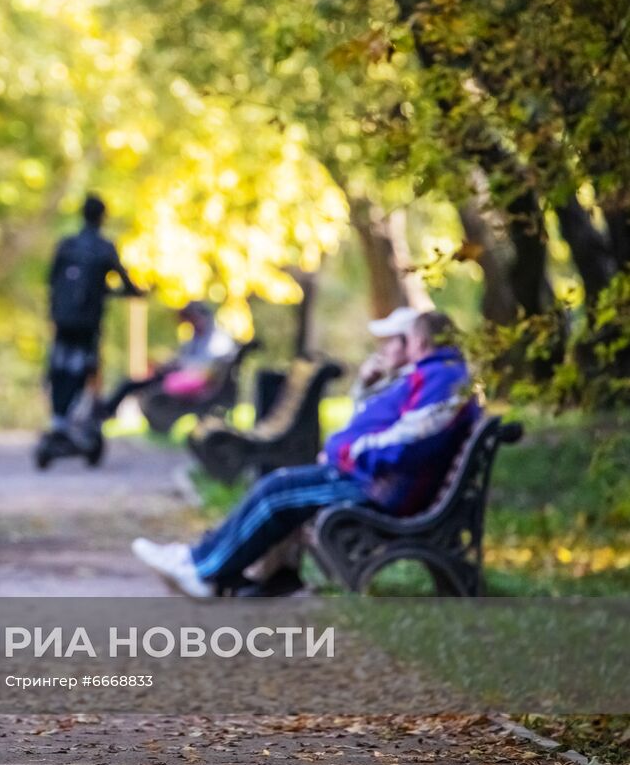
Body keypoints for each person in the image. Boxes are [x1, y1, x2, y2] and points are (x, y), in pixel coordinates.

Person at [131, 311, 476, 597]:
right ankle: (203, 563)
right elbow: (388, 427)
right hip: (372, 478)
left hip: (377, 487)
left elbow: (412, 440)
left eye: (404, 340)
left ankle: (203, 569)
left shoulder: (441, 378)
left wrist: (349, 452)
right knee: (278, 487)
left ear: (419, 341)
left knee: (276, 493)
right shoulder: (433, 375)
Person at [45, 194, 145, 434]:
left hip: (62, 319)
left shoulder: (67, 244)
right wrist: (131, 293)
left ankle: (58, 416)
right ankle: (78, 415)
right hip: (88, 322)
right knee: (85, 366)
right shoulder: (104, 247)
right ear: (102, 217)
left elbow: (51, 279)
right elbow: (127, 283)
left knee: (60, 365)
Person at [96, 300, 237, 420]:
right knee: (132, 383)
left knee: (133, 384)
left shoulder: (216, 340)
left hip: (185, 380)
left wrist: (174, 367)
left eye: (191, 319)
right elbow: (185, 359)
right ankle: (105, 410)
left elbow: (201, 367)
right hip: (177, 375)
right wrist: (165, 364)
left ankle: (105, 411)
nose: (191, 324)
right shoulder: (197, 338)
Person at [351, 306, 420, 408]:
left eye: (391, 340)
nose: (383, 348)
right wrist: (367, 383)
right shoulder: (396, 380)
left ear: (411, 343)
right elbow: (361, 416)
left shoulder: (411, 382)